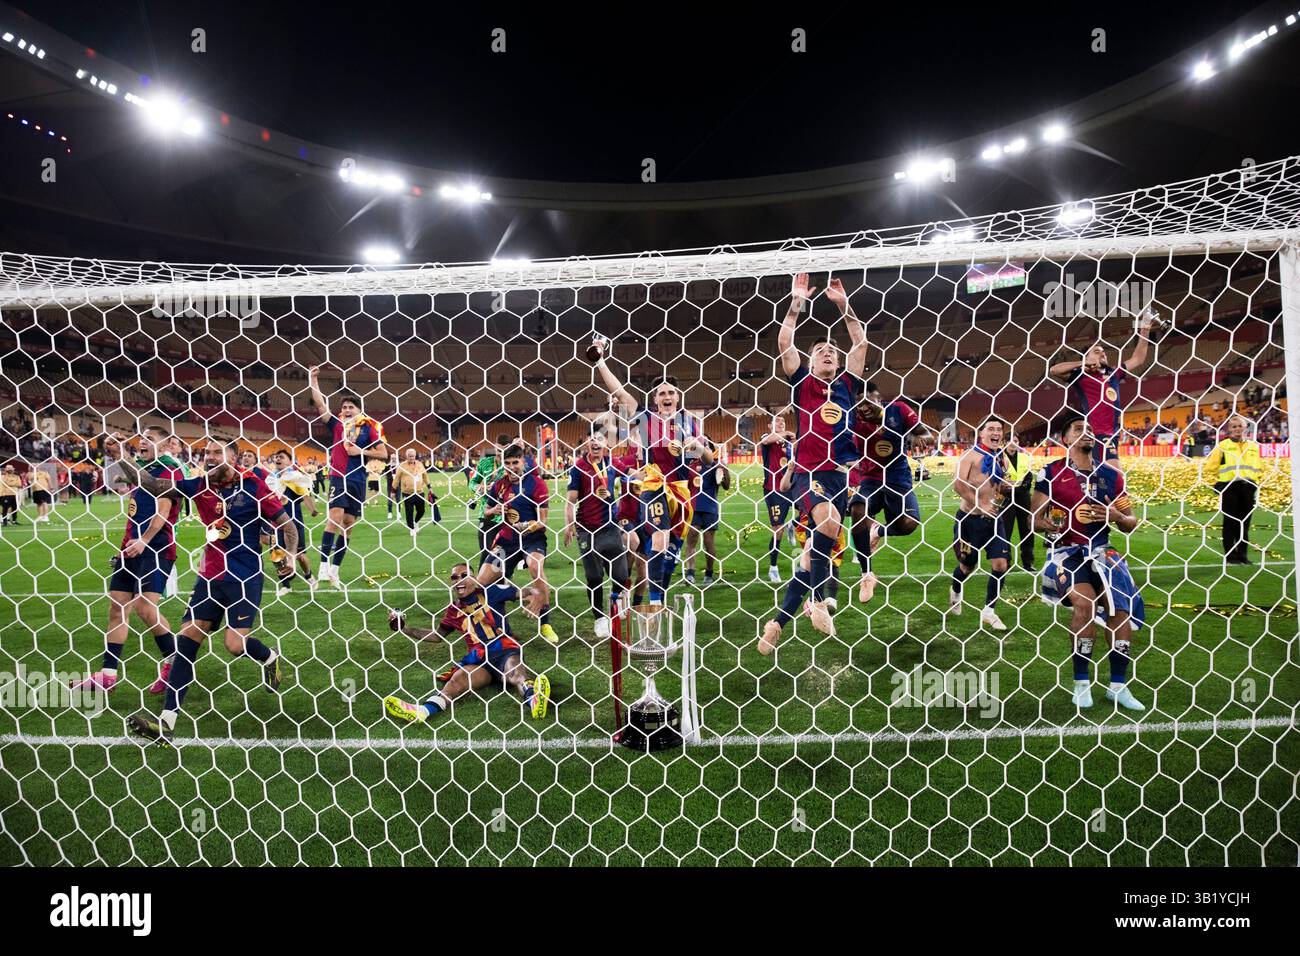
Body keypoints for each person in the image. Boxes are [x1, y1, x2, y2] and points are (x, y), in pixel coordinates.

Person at [108, 436, 300, 745]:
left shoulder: (255, 487)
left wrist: (289, 556)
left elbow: (288, 527)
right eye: (206, 452)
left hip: (244, 577)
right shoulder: (200, 486)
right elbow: (154, 485)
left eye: (215, 453)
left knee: (234, 645)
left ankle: (269, 657)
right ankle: (166, 724)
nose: (208, 457)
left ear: (234, 459)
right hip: (210, 578)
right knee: (186, 642)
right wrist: (120, 455)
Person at [759, 272, 867, 654]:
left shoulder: (848, 385)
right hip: (809, 473)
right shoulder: (801, 382)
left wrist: (844, 306)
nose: (827, 353)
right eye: (821, 350)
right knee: (830, 524)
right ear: (810, 359)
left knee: (812, 555)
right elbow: (784, 342)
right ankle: (819, 603)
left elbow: (861, 341)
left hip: (841, 476)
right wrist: (796, 303)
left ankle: (777, 622)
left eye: (832, 352)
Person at [1032, 411, 1145, 711]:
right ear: (1064, 438)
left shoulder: (1111, 475)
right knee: (1085, 604)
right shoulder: (1051, 473)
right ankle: (1081, 683)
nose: (1087, 432)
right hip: (1066, 552)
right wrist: (1057, 523)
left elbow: (1131, 522)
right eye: (1079, 428)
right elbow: (1034, 520)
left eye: (1090, 428)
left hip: (1104, 551)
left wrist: (1116, 516)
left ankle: (1118, 686)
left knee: (1120, 611)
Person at [592, 340, 708, 606]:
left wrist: (698, 447)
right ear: (655, 400)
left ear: (678, 397)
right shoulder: (645, 419)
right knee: (659, 538)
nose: (667, 397)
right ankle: (654, 603)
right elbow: (621, 393)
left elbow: (710, 458)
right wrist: (600, 361)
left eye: (671, 393)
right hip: (654, 486)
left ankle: (659, 594)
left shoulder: (689, 423)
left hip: (681, 491)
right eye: (662, 393)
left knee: (671, 553)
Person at [69, 426, 182, 694]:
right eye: (141, 437)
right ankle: (107, 676)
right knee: (117, 608)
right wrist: (120, 454)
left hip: (155, 547)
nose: (143, 441)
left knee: (145, 608)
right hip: (129, 549)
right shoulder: (143, 467)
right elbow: (130, 475)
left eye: (150, 439)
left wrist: (144, 540)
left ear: (165, 445)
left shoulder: (169, 469)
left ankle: (176, 665)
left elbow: (164, 510)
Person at [382, 563, 551, 724]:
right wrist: (404, 629)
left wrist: (537, 594)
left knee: (514, 673)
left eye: (464, 576)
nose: (459, 580)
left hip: (504, 649)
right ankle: (422, 711)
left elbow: (524, 591)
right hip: (478, 659)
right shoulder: (454, 610)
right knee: (457, 681)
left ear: (475, 578)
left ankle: (534, 700)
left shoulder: (490, 592)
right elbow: (436, 636)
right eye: (454, 577)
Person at [848, 382, 929, 604]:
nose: (864, 405)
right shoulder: (853, 420)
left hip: (898, 479)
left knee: (909, 525)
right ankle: (866, 575)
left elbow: (926, 435)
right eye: (859, 401)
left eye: (869, 399)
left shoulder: (898, 410)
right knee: (857, 509)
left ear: (878, 397)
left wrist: (915, 436)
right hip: (871, 480)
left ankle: (879, 531)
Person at [307, 365, 387, 588]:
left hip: (358, 480)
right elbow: (321, 404)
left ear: (359, 410)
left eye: (352, 406)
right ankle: (322, 566)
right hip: (339, 475)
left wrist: (362, 451)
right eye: (344, 407)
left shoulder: (369, 428)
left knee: (348, 524)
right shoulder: (337, 425)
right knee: (334, 517)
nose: (348, 410)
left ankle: (335, 571)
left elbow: (384, 453)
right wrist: (313, 380)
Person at [1048, 311, 1157, 460]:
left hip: (1113, 433)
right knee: (1115, 476)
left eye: (1103, 351)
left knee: (1101, 477)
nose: (1102, 354)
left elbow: (1138, 359)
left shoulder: (1114, 372)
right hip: (1098, 433)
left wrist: (1145, 329)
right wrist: (1083, 363)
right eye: (1097, 352)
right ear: (1087, 358)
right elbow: (1054, 370)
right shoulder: (1082, 376)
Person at [480, 443, 558, 644]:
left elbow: (543, 522)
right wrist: (494, 510)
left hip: (533, 539)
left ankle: (545, 624)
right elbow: (486, 511)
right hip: (507, 541)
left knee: (535, 567)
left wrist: (526, 526)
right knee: (483, 581)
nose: (511, 467)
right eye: (507, 463)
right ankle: (500, 627)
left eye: (515, 462)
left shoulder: (536, 484)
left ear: (524, 461)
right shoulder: (499, 485)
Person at [565, 424, 632, 640]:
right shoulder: (578, 468)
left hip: (610, 527)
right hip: (587, 530)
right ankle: (599, 619)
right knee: (594, 577)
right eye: (592, 438)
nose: (595, 442)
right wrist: (569, 525)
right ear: (587, 442)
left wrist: (655, 475)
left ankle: (616, 600)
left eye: (599, 438)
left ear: (606, 443)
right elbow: (570, 501)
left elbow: (633, 473)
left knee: (621, 574)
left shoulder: (612, 463)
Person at [949, 416, 1013, 632]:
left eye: (999, 430)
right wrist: (980, 503)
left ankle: (989, 611)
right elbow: (958, 485)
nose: (996, 433)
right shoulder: (970, 456)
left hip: (994, 521)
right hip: (969, 521)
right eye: (991, 429)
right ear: (982, 433)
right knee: (967, 566)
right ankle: (956, 589)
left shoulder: (1001, 457)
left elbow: (996, 485)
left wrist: (1006, 487)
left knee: (1001, 565)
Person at [1202, 415, 1261, 565]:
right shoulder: (1222, 446)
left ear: (1245, 427)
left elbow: (1257, 467)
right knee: (1230, 522)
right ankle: (1230, 556)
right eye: (1233, 427)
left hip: (1248, 488)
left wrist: (1254, 484)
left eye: (1239, 426)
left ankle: (1243, 555)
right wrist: (1219, 483)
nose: (1237, 429)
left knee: (1244, 523)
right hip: (1229, 488)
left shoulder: (1253, 446)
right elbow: (1210, 467)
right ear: (1229, 430)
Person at [267, 450, 318, 594]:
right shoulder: (271, 479)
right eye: (276, 457)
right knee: (277, 555)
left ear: (290, 462)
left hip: (294, 523)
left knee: (299, 555)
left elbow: (305, 494)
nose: (278, 459)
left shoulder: (294, 478)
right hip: (276, 523)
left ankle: (309, 575)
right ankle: (286, 585)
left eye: (281, 457)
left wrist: (313, 510)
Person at [683, 437, 729, 586]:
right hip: (692, 507)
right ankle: (690, 572)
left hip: (710, 507)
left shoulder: (715, 465)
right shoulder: (687, 465)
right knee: (692, 538)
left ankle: (709, 572)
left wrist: (725, 470)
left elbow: (726, 486)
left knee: (709, 542)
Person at [758, 414, 795, 582]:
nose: (781, 422)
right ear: (769, 425)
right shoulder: (766, 437)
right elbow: (766, 441)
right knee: (777, 529)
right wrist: (787, 432)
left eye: (783, 421)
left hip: (792, 486)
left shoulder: (788, 443)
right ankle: (773, 567)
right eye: (777, 421)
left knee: (811, 513)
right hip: (773, 490)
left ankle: (792, 525)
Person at [1002, 432, 1037, 571]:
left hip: (1023, 497)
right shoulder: (999, 457)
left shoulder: (1024, 457)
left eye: (1015, 440)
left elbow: (1029, 478)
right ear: (1004, 442)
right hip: (1006, 498)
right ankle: (1006, 562)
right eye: (1010, 440)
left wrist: (1019, 488)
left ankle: (1028, 562)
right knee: (1005, 531)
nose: (1013, 443)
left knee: (1027, 530)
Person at [395, 447, 428, 536]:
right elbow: (397, 478)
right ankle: (412, 529)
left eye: (413, 456)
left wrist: (429, 486)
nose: (411, 458)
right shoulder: (402, 466)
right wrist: (393, 490)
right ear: (406, 456)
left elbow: (425, 476)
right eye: (410, 456)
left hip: (419, 492)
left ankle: (416, 522)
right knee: (409, 511)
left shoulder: (420, 464)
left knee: (421, 510)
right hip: (407, 493)